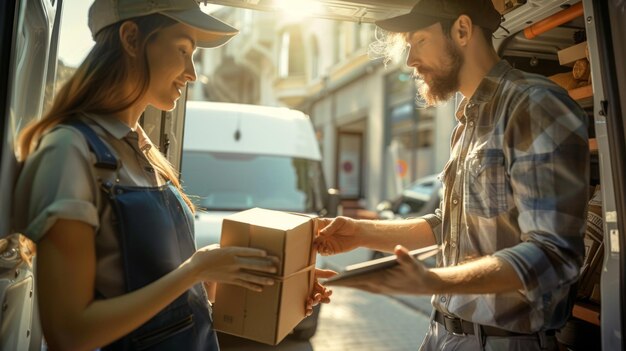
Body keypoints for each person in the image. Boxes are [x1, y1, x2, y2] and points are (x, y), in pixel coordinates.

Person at [12, 0, 332, 350]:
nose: (192, 72)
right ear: (132, 38)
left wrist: (278, 289)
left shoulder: (145, 149)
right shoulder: (69, 150)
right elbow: (69, 333)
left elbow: (171, 295)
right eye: (183, 50)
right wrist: (195, 269)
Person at [315, 0, 589, 350]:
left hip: (503, 342)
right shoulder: (466, 123)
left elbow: (554, 254)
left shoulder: (533, 105)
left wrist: (434, 280)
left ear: (461, 30)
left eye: (419, 42)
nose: (411, 61)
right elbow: (448, 225)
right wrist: (361, 233)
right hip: (442, 334)